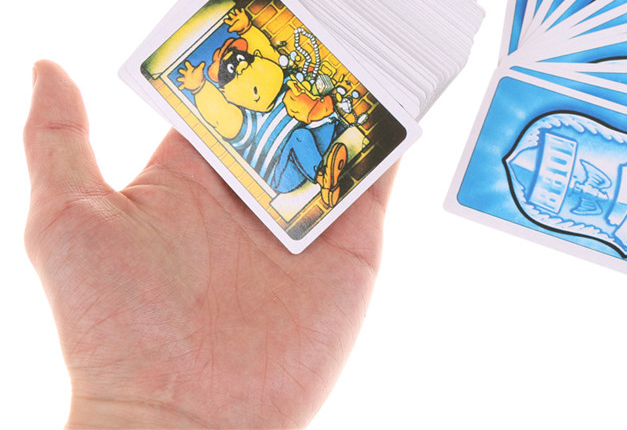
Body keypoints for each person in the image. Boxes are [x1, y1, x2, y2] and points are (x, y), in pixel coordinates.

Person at [24, 60, 397, 429]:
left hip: (304, 150)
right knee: (302, 139)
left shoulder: (292, 107)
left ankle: (326, 165)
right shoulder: (252, 122)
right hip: (289, 170)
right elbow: (235, 118)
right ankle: (324, 173)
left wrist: (143, 406)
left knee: (311, 134)